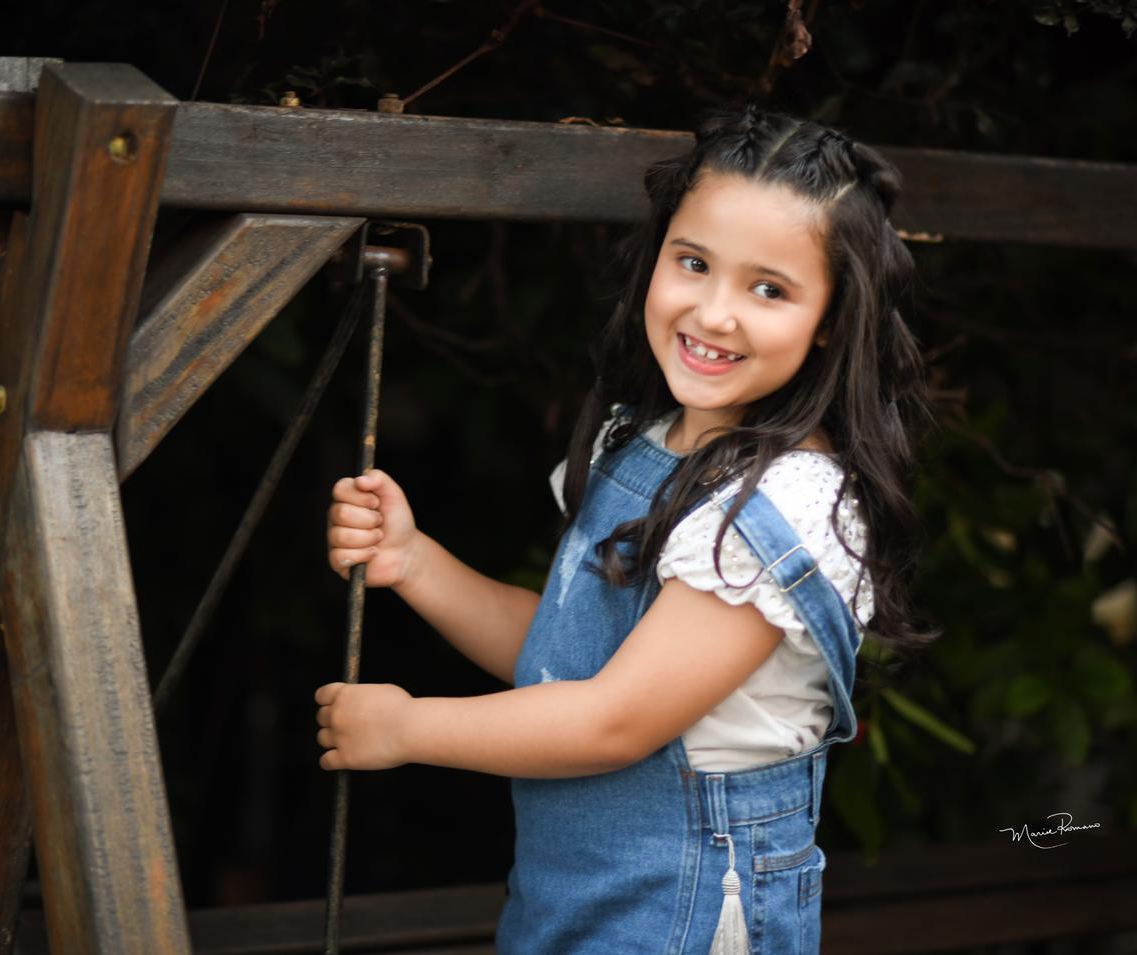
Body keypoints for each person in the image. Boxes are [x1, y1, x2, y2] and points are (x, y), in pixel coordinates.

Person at [316, 104, 935, 954]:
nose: (715, 313)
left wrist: (409, 727)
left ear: (830, 318)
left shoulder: (782, 506)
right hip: (574, 901)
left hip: (682, 907)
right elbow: (563, 657)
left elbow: (615, 721)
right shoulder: (641, 441)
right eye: (693, 263)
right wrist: (415, 561)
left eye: (769, 288)